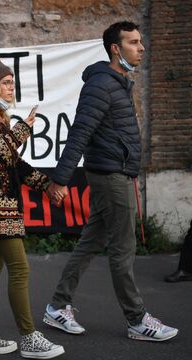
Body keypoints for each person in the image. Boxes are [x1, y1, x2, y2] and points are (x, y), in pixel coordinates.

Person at [43, 21, 178, 341]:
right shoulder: (102, 85)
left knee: (90, 243)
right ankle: (137, 320)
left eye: (141, 41)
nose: (141, 47)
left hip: (115, 172)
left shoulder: (116, 83)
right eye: (133, 42)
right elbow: (80, 132)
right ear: (115, 49)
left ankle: (57, 307)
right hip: (110, 177)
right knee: (123, 249)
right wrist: (59, 179)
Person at [0, 50, 64, 360]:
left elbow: (13, 163)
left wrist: (45, 185)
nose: (12, 88)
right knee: (19, 268)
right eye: (7, 83)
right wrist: (22, 130)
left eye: (13, 83)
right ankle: (29, 337)